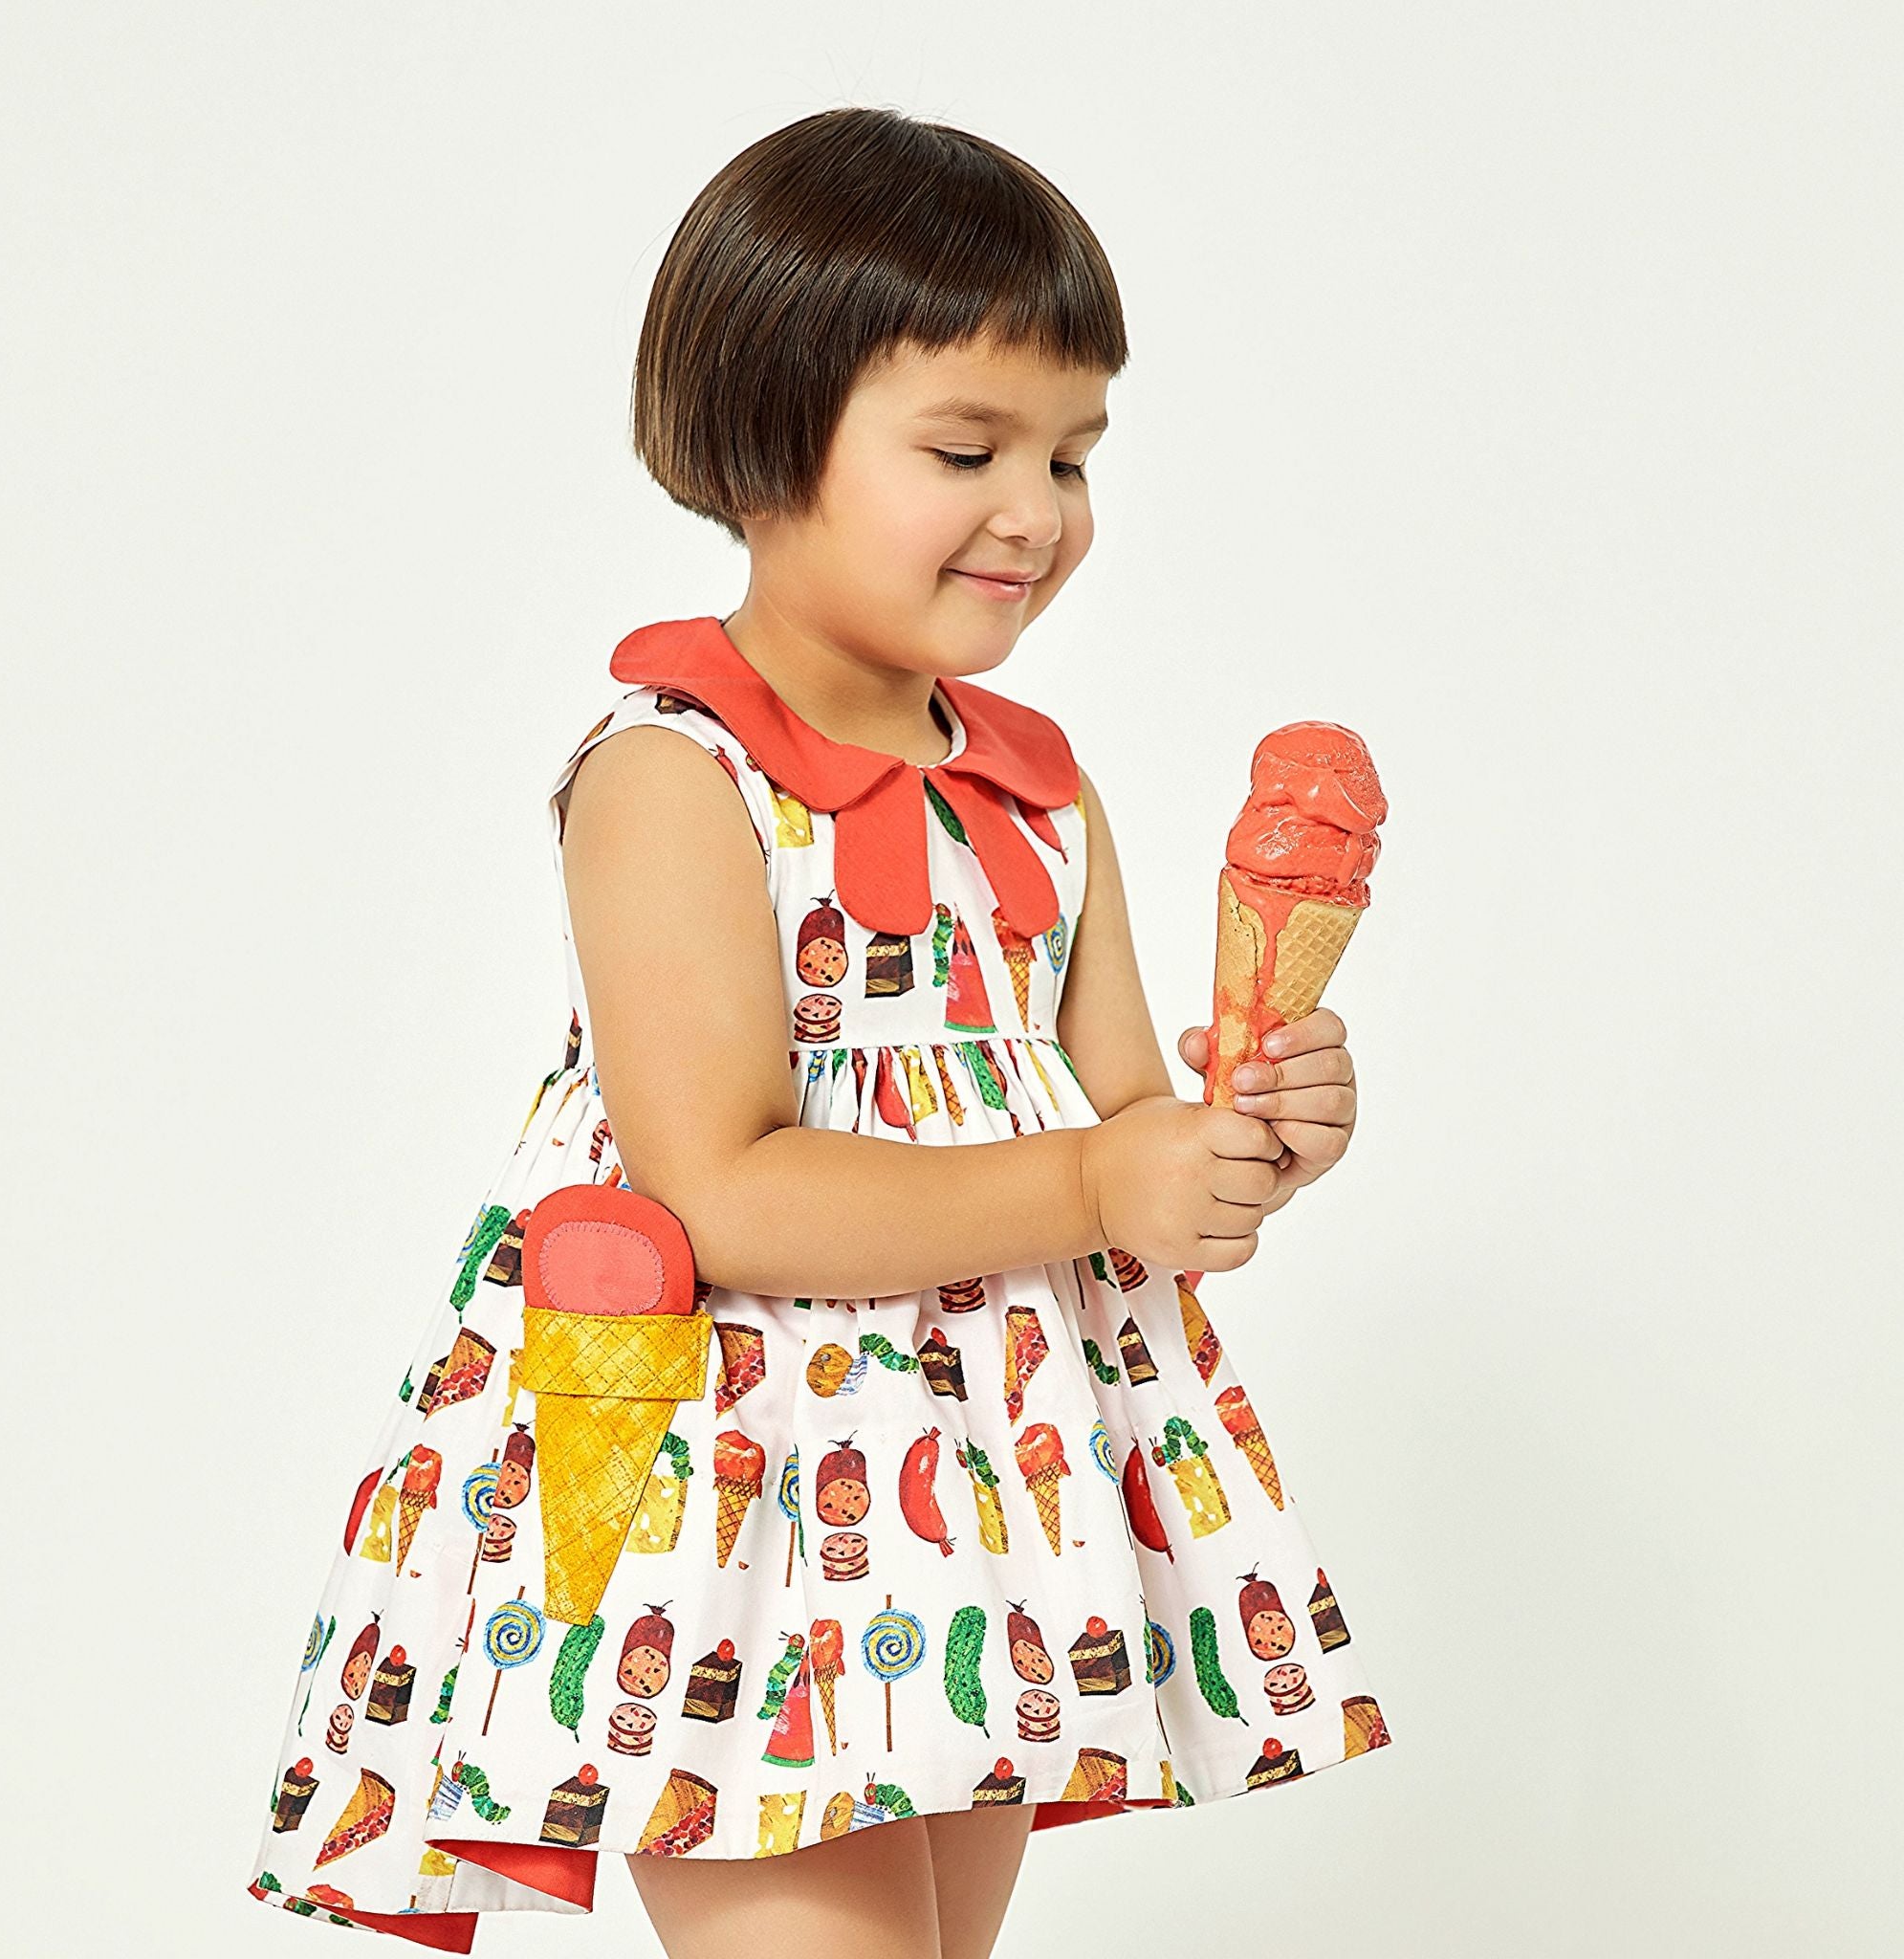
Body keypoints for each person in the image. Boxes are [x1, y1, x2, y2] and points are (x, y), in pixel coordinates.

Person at [243, 104, 1391, 1957]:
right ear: (764, 438)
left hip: (979, 1523)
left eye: (1074, 455)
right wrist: (1108, 1169)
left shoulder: (1039, 799)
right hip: (733, 1520)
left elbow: (1129, 1159)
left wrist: (1240, 1139)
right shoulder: (671, 778)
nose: (1040, 512)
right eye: (969, 447)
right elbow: (725, 1182)